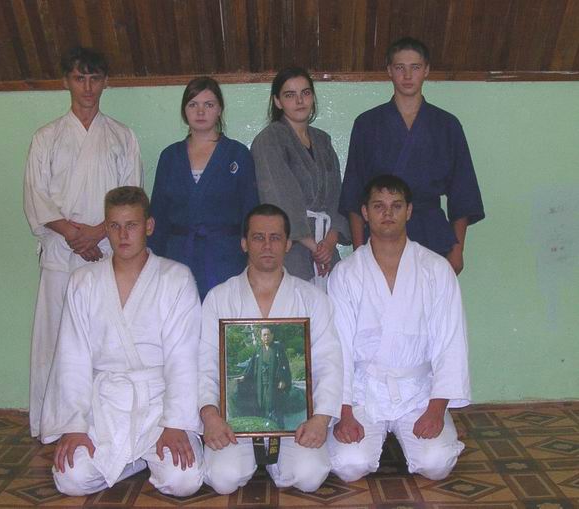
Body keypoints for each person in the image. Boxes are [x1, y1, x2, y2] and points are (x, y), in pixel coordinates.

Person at [40, 187, 203, 496]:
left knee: (183, 480)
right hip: (105, 404)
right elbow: (72, 356)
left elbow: (183, 356)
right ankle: (133, 459)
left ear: (149, 226)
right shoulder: (84, 281)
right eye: (114, 226)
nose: (123, 235)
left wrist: (175, 423)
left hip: (158, 403)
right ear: (106, 227)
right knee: (71, 478)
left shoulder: (176, 278)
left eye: (132, 225)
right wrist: (74, 426)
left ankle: (133, 457)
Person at [23, 46, 143, 438]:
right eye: (79, 78)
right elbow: (36, 195)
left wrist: (97, 232)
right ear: (66, 81)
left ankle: (101, 424)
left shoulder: (122, 136)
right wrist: (73, 234)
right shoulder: (46, 137)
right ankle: (52, 424)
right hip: (61, 252)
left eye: (94, 78)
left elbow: (131, 195)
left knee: (104, 338)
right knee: (54, 337)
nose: (87, 87)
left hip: (107, 250)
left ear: (105, 82)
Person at [328, 175, 470, 482]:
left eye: (396, 205)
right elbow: (338, 347)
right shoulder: (346, 273)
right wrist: (344, 412)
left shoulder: (436, 269)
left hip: (418, 392)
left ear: (409, 211)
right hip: (363, 393)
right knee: (349, 466)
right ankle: (380, 438)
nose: (387, 213)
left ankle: (406, 437)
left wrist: (436, 409)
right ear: (365, 212)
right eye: (378, 206)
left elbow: (450, 342)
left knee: (437, 464)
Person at [199, 204, 343, 494]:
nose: (267, 246)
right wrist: (210, 416)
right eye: (258, 237)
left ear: (288, 244)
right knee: (223, 478)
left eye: (275, 238)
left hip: (294, 425)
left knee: (310, 476)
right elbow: (205, 364)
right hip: (235, 423)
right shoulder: (219, 298)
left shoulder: (313, 299)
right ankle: (250, 458)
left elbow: (329, 362)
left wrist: (321, 418)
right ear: (244, 243)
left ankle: (280, 462)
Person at [339, 37, 484, 275]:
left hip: (432, 234)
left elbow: (463, 191)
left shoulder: (447, 125)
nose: (407, 76)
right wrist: (358, 251)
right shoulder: (367, 124)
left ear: (426, 70)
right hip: (379, 235)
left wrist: (457, 250)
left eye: (415, 67)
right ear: (389, 71)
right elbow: (354, 192)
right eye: (400, 67)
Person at [148, 76, 259, 300]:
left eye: (208, 104)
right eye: (193, 105)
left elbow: (251, 212)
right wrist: (152, 260)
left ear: (219, 110)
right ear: (184, 111)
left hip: (226, 257)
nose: (200, 112)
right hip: (178, 256)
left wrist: (253, 259)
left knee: (223, 316)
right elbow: (158, 214)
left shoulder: (237, 154)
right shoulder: (170, 156)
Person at [251, 67, 349, 290]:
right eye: (290, 95)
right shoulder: (269, 140)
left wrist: (329, 242)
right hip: (290, 248)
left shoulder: (323, 141)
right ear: (277, 101)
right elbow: (278, 197)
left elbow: (337, 197)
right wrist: (312, 245)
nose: (299, 100)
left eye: (305, 93)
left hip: (326, 248)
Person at [239, 327, 292, 426]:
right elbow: (251, 365)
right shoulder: (259, 350)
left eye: (268, 334)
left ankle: (277, 426)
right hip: (261, 383)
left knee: (273, 403)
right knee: (261, 403)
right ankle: (264, 425)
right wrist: (244, 377)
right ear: (261, 337)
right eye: (264, 335)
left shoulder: (278, 349)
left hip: (274, 383)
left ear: (272, 335)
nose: (266, 337)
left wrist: (283, 380)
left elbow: (284, 365)